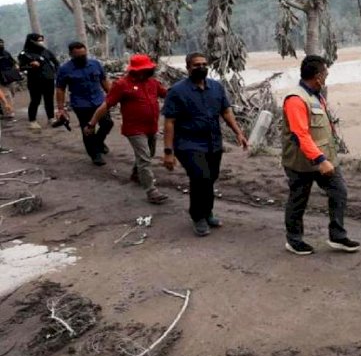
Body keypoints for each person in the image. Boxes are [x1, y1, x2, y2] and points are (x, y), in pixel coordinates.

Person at [280, 55, 360, 255]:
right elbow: (300, 135)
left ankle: (338, 236)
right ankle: (294, 240)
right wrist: (320, 160)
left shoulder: (316, 95)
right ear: (318, 77)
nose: (326, 76)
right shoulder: (296, 99)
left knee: (339, 192)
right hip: (302, 163)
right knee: (298, 200)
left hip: (325, 159)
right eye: (325, 73)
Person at [162, 52, 248, 236]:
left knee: (210, 178)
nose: (201, 67)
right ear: (188, 68)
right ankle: (198, 217)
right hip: (188, 144)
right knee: (200, 177)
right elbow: (169, 122)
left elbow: (226, 112)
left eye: (204, 64)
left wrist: (238, 133)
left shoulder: (216, 88)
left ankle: (208, 212)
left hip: (213, 143)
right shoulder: (177, 91)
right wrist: (168, 151)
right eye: (196, 65)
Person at [85, 54, 169, 204]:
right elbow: (106, 105)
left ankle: (136, 174)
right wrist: (92, 123)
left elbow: (168, 94)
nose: (146, 71)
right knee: (144, 158)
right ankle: (151, 191)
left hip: (151, 126)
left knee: (149, 154)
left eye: (148, 69)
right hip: (134, 129)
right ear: (135, 70)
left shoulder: (152, 83)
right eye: (144, 69)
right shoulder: (122, 85)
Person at [55, 41, 113, 166]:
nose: (82, 57)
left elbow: (104, 81)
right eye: (78, 55)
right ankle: (95, 154)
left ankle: (98, 142)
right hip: (81, 104)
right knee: (88, 129)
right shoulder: (65, 69)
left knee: (108, 123)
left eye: (84, 54)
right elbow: (60, 89)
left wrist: (112, 96)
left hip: (99, 101)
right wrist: (61, 108)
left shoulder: (95, 64)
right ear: (71, 54)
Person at [18, 33, 59, 130]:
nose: (41, 42)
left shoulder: (46, 51)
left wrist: (56, 73)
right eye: (38, 40)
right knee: (35, 101)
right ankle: (32, 121)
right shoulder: (25, 54)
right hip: (35, 81)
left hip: (49, 79)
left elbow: (56, 62)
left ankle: (51, 118)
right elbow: (21, 68)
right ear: (31, 41)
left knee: (49, 100)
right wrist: (31, 66)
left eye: (41, 40)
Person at [0, 38, 22, 119]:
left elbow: (13, 61)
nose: (1, 44)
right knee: (6, 95)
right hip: (1, 78)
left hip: (9, 76)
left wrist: (16, 66)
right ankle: (9, 113)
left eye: (2, 43)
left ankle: (4, 109)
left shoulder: (6, 53)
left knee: (12, 93)